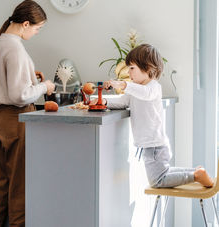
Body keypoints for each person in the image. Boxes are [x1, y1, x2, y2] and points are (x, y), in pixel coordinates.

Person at [90, 44, 213, 188]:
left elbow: (145, 94)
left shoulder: (153, 87)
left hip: (154, 145)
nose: (128, 73)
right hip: (152, 145)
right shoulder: (134, 89)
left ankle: (195, 176)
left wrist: (124, 85)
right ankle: (196, 172)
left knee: (157, 181)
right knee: (163, 173)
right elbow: (122, 102)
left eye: (132, 68)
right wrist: (104, 101)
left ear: (148, 68)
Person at [0, 0, 55, 227]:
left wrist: (30, 76)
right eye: (37, 28)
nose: (36, 32)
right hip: (15, 120)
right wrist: (46, 87)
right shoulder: (15, 47)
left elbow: (5, 82)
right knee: (18, 187)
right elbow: (19, 96)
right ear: (25, 24)